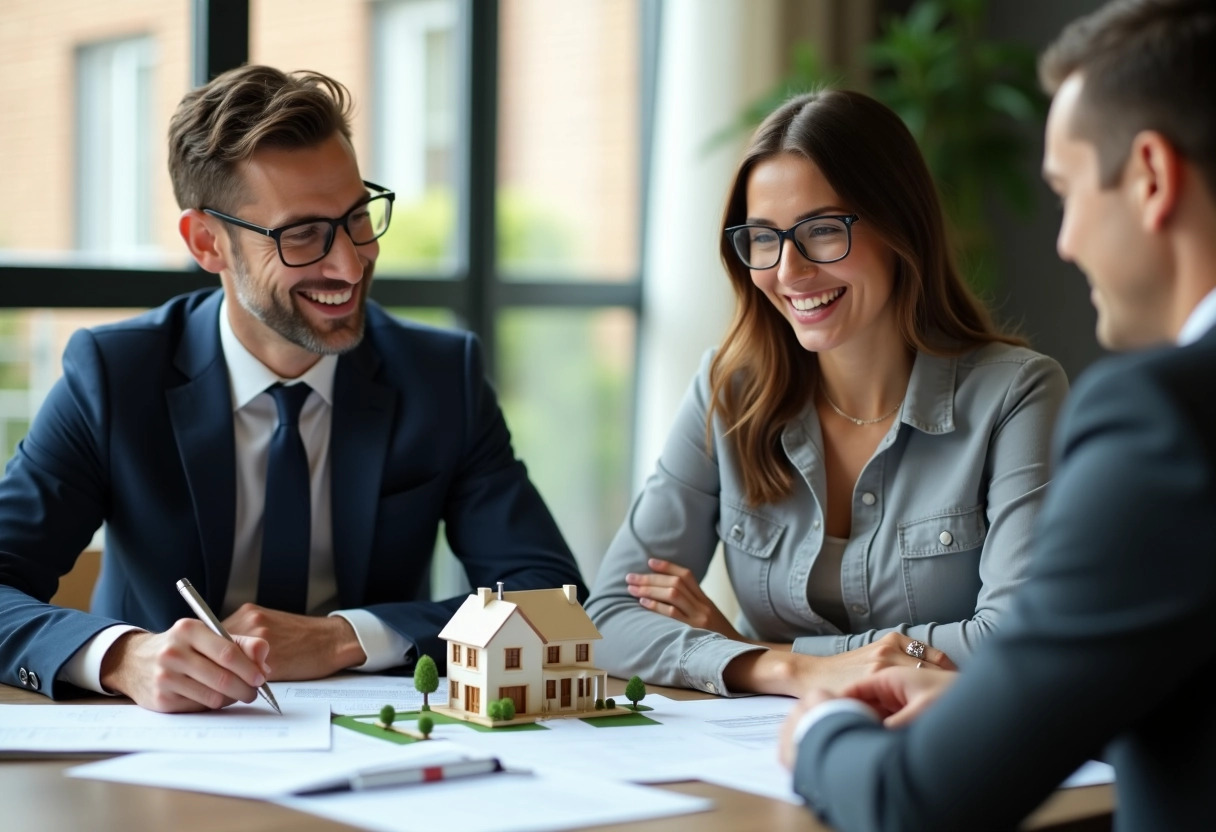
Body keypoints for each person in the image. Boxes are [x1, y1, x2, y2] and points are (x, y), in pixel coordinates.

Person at [0, 65, 585, 713]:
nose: (351, 262)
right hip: (162, 758)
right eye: (302, 234)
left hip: (377, 747)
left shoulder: (440, 377)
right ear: (207, 242)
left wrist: (348, 638)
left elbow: (546, 593)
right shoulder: (114, 377)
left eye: (358, 217)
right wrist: (121, 657)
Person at [779, 1, 1216, 828]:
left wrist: (823, 727)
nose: (1065, 240)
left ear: (1152, 176)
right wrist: (984, 702)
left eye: (1067, 191)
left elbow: (920, 803)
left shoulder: (1163, 422)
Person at [585, 88, 1068, 698]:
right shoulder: (727, 391)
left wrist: (750, 651)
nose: (789, 271)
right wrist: (790, 669)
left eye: (820, 230)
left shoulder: (1017, 395)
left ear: (900, 227)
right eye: (764, 238)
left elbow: (1017, 638)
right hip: (759, 764)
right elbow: (606, 621)